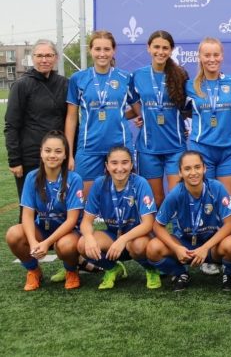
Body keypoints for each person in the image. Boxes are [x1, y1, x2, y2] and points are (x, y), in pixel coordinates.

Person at [146, 151, 231, 291]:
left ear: (204, 168)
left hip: (212, 246)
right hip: (185, 246)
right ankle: (180, 273)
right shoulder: (175, 194)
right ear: (180, 172)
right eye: (187, 169)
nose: (193, 172)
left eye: (197, 167)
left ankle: (230, 273)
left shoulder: (216, 188)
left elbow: (230, 223)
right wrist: (176, 248)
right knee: (153, 248)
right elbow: (157, 226)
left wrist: (205, 248)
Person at [5, 131, 84, 290]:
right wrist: (33, 242)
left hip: (68, 232)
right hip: (42, 229)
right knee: (13, 234)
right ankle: (34, 270)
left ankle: (71, 270)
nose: (52, 155)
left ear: (65, 155)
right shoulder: (32, 177)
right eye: (48, 150)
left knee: (66, 245)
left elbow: (72, 220)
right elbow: (27, 215)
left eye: (58, 151)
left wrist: (47, 243)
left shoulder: (74, 179)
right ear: (41, 152)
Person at [65, 31, 135, 197]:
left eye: (106, 49)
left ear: (113, 50)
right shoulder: (78, 78)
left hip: (120, 146)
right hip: (89, 147)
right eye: (97, 49)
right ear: (90, 50)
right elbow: (71, 118)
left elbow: (138, 110)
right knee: (85, 199)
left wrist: (119, 116)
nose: (102, 54)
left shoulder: (125, 78)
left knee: (124, 197)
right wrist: (69, 153)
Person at [5, 39, 69, 221]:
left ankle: (60, 240)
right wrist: (15, 160)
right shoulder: (22, 85)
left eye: (48, 55)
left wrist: (71, 154)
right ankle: (29, 240)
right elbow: (11, 124)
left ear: (56, 58)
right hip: (31, 157)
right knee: (30, 208)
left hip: (59, 156)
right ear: (32, 58)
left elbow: (72, 121)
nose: (44, 60)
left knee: (60, 206)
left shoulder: (64, 84)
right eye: (39, 56)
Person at [78, 146, 158, 289]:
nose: (119, 168)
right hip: (112, 237)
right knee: (83, 243)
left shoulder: (140, 183)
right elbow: (86, 221)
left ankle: (151, 270)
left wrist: (123, 239)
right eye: (114, 163)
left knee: (138, 246)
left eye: (125, 162)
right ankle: (112, 269)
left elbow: (148, 224)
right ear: (107, 166)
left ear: (131, 165)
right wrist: (89, 238)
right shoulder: (99, 184)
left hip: (136, 238)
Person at [131, 30, 188, 207]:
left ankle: (177, 227)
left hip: (175, 146)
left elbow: (187, 108)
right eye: (156, 47)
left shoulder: (181, 74)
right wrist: (140, 115)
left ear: (171, 50)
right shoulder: (137, 75)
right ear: (148, 48)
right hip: (148, 148)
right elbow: (135, 104)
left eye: (165, 48)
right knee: (155, 200)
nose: (160, 52)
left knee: (176, 197)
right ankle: (153, 226)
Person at [185, 37, 231, 202]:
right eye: (207, 55)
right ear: (200, 57)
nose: (212, 59)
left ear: (222, 56)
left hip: (229, 150)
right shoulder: (189, 86)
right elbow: (178, 111)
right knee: (203, 200)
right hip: (201, 149)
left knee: (229, 201)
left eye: (216, 55)